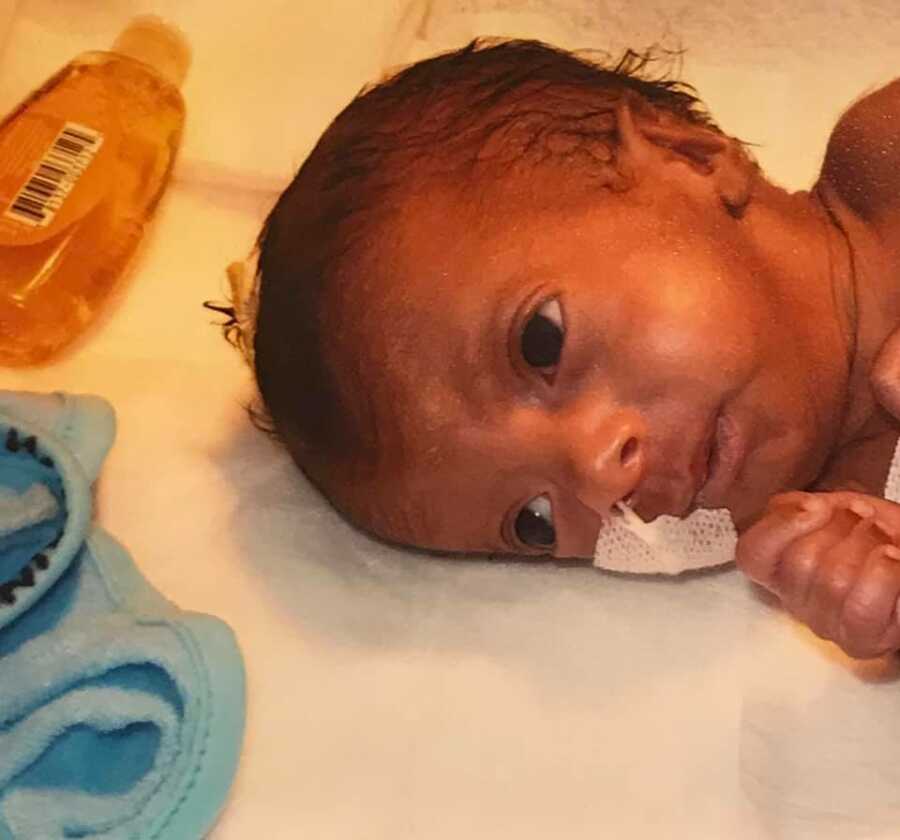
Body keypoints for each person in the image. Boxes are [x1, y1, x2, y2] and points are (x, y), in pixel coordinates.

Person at [226, 39, 900, 659]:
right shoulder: (851, 546)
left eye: (542, 342)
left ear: (688, 158)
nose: (599, 476)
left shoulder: (882, 158)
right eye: (536, 523)